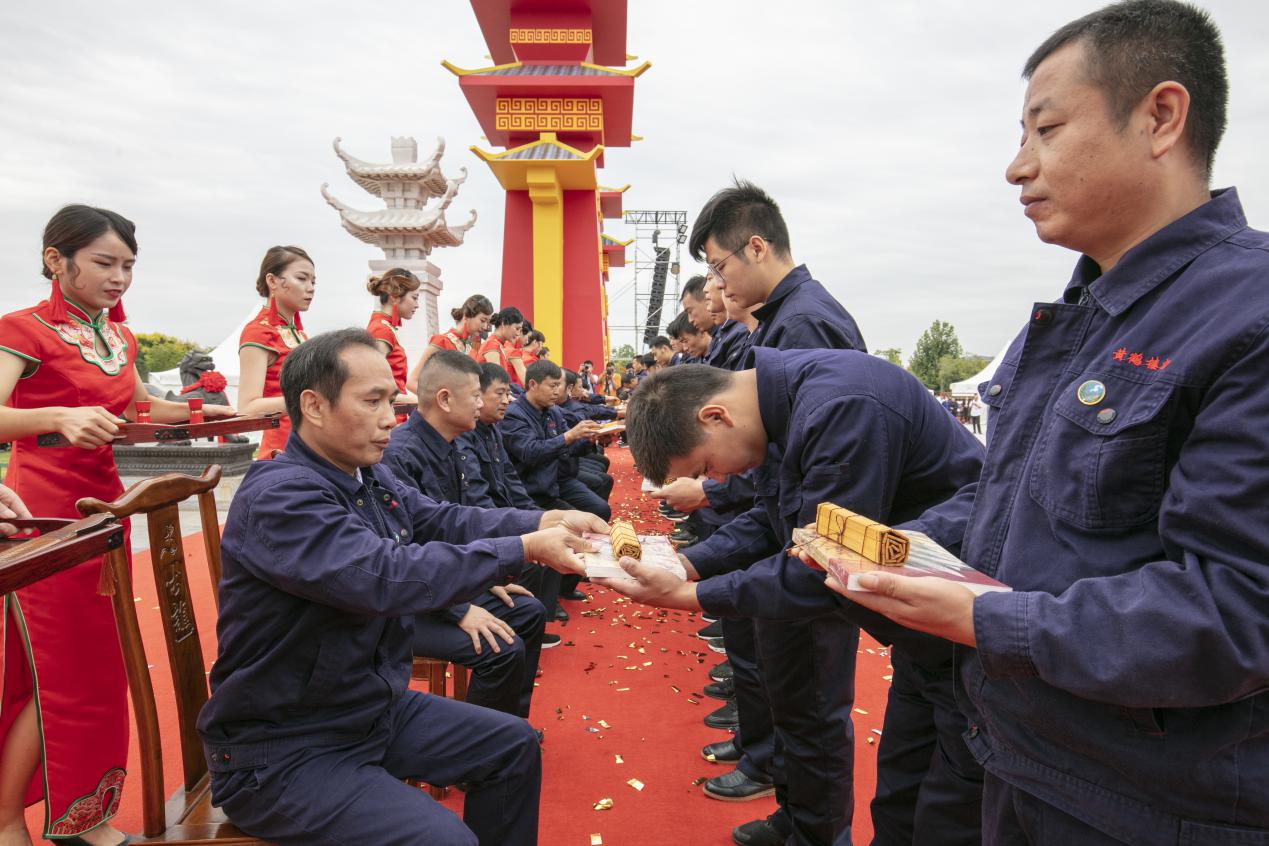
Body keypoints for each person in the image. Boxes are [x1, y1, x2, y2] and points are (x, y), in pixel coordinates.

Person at [834, 3, 1269, 843]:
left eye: (1046, 129)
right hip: (1025, 761)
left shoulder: (1244, 315)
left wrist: (985, 619)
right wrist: (885, 546)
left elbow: (1238, 608)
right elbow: (1019, 496)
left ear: (1160, 117)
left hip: (1157, 806)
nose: (1016, 167)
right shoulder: (1086, 315)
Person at [197, 329, 603, 846]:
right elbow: (385, 575)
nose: (391, 417)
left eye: (391, 399)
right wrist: (523, 547)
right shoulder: (283, 497)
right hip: (284, 745)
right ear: (314, 406)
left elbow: (444, 519)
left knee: (512, 744)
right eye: (372, 401)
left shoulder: (365, 476)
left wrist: (548, 516)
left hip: (365, 708)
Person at [601, 350, 986, 846]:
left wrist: (690, 594)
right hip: (921, 632)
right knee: (899, 802)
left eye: (707, 467)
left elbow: (826, 564)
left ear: (715, 416)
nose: (715, 482)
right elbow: (773, 517)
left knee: (947, 816)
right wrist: (686, 565)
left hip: (963, 632)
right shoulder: (782, 407)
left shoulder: (840, 406)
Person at [0, 205, 232, 846]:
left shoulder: (116, 339)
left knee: (102, 670)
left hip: (104, 514)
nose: (120, 277)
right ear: (56, 260)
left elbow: (133, 406)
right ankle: (8, 820)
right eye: (105, 263)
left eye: (128, 264)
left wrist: (202, 413)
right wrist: (56, 416)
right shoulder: (22, 329)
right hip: (40, 520)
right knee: (59, 673)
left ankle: (82, 815)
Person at [381, 351, 548, 718]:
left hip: (441, 579)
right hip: (410, 597)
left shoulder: (452, 443)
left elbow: (458, 520)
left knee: (529, 612)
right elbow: (403, 551)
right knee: (501, 649)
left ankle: (508, 727)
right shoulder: (398, 455)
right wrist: (458, 607)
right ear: (444, 399)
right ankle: (482, 748)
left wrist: (481, 575)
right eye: (475, 395)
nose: (481, 403)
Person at [237, 245, 314, 460]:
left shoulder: (299, 334)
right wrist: (314, 400)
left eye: (313, 281)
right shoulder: (259, 332)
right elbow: (247, 408)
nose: (310, 288)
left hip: (310, 447)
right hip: (283, 452)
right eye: (302, 278)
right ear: (272, 281)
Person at [365, 267, 422, 405]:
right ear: (394, 297)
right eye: (414, 298)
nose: (417, 305)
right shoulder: (382, 330)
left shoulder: (383, 326)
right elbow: (371, 384)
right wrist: (418, 401)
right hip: (390, 416)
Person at [413, 293, 494, 379]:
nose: (485, 327)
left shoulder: (469, 346)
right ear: (466, 316)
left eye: (487, 322)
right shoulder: (442, 341)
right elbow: (412, 380)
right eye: (482, 320)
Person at [481, 306, 525, 388]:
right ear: (504, 323)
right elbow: (497, 380)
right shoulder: (492, 344)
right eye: (517, 328)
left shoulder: (498, 344)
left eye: (520, 330)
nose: (518, 334)